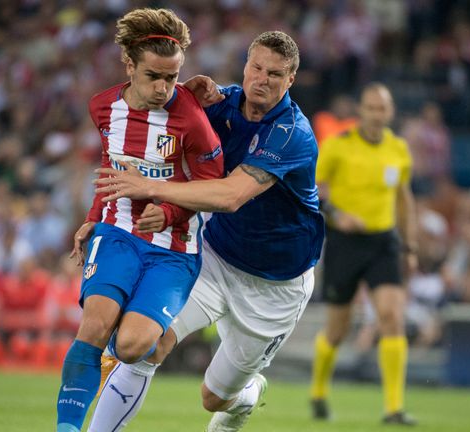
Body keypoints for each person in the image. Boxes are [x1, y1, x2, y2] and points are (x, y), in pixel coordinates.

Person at [88, 30, 323, 432]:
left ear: (291, 80)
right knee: (145, 346)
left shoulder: (292, 134)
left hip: (275, 286)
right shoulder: (222, 103)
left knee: (213, 398)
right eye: (257, 67)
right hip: (213, 259)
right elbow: (162, 109)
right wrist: (184, 89)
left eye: (275, 74)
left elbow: (232, 195)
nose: (262, 79)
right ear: (246, 65)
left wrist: (150, 188)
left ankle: (246, 395)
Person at [54, 8, 224, 432]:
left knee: (132, 347)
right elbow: (112, 167)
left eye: (172, 77)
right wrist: (94, 216)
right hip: (117, 232)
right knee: (93, 325)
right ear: (129, 65)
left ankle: (115, 347)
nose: (165, 88)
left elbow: (211, 187)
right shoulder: (103, 108)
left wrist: (167, 211)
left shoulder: (191, 118)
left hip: (175, 249)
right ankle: (67, 428)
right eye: (155, 77)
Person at [309, 83, 419, 425]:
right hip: (344, 242)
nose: (376, 114)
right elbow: (310, 190)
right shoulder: (338, 147)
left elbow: (404, 198)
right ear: (361, 110)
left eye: (382, 108)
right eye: (370, 107)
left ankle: (394, 408)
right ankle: (319, 391)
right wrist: (337, 214)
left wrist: (411, 246)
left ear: (390, 112)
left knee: (391, 315)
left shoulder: (398, 150)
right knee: (337, 331)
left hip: (383, 242)